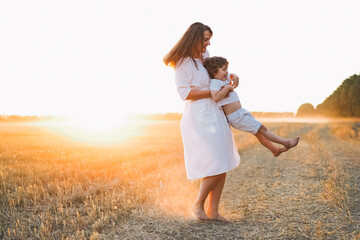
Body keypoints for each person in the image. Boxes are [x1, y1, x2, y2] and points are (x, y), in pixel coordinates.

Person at [163, 22, 241, 222]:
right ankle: (198, 204)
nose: (208, 44)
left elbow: (217, 74)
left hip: (215, 112)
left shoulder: (205, 57)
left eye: (209, 40)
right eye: (205, 40)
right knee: (215, 163)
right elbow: (185, 93)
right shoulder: (182, 62)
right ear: (195, 38)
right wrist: (216, 92)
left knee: (222, 160)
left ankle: (213, 212)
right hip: (199, 117)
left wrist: (230, 77)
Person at [203, 56, 300, 156]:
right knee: (262, 128)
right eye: (223, 69)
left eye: (226, 69)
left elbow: (233, 76)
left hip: (241, 112)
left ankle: (274, 150)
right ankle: (286, 143)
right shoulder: (215, 83)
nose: (226, 72)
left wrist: (236, 77)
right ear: (214, 71)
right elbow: (215, 97)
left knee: (259, 132)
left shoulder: (224, 78)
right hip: (236, 117)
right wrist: (227, 88)